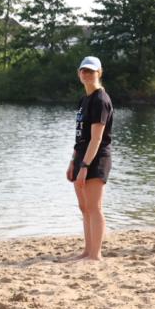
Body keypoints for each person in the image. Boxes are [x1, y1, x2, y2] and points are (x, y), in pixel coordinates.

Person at [65, 56, 113, 261]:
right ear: (79, 74)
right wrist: (73, 161)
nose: (86, 74)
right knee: (84, 207)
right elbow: (81, 137)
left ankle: (96, 255)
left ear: (99, 73)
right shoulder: (84, 99)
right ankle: (87, 250)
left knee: (94, 207)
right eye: (83, 71)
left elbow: (97, 138)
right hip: (81, 158)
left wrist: (85, 165)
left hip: (96, 159)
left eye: (91, 71)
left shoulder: (101, 100)